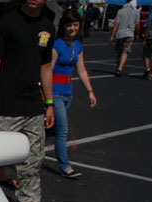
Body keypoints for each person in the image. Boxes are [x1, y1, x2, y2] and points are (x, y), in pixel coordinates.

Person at [0, 0, 57, 202]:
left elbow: (46, 68)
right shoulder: (8, 22)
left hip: (33, 106)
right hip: (5, 105)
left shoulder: (47, 27)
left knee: (33, 161)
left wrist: (49, 103)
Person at [51, 9, 97, 179]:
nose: (72, 28)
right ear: (63, 26)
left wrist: (90, 91)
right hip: (54, 93)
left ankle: (30, 155)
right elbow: (48, 70)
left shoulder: (78, 46)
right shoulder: (56, 45)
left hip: (67, 93)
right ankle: (65, 166)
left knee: (52, 129)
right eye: (69, 25)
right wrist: (45, 95)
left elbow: (82, 70)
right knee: (63, 130)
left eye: (75, 25)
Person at [109, 0, 140, 77]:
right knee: (125, 51)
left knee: (118, 52)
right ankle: (120, 68)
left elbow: (116, 24)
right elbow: (137, 25)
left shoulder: (120, 11)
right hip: (130, 34)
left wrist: (112, 36)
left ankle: (118, 66)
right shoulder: (136, 12)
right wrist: (137, 34)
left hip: (120, 34)